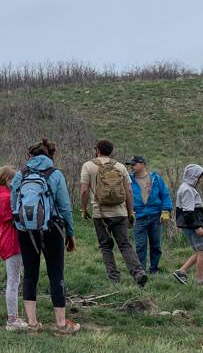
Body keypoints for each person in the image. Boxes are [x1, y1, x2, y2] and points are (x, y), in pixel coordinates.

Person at [11, 139, 78, 334]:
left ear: (31, 157)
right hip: (52, 229)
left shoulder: (20, 175)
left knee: (30, 274)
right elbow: (65, 207)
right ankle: (61, 324)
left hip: (25, 231)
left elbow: (14, 205)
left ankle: (32, 324)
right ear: (50, 156)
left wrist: (21, 225)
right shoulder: (55, 174)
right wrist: (70, 234)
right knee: (56, 273)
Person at [80, 140, 147, 286]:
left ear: (97, 150)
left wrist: (84, 209)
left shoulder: (88, 166)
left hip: (100, 214)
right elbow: (129, 191)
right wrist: (131, 212)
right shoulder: (120, 166)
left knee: (105, 246)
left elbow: (84, 190)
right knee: (124, 244)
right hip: (120, 212)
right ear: (111, 152)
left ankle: (114, 278)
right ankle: (138, 273)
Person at [0, 166, 27, 331]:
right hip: (12, 242)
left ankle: (16, 316)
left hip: (9, 241)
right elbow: (15, 217)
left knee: (15, 280)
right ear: (7, 179)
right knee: (13, 281)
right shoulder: (6, 198)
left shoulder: (2, 194)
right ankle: (12, 319)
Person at [127, 155, 173, 274]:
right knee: (140, 246)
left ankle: (154, 269)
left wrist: (166, 210)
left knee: (156, 245)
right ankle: (141, 271)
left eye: (134, 164)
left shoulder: (156, 179)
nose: (132, 166)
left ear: (142, 164)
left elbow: (165, 194)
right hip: (138, 217)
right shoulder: (129, 180)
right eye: (130, 164)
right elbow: (125, 197)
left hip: (155, 217)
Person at [173, 164, 203, 285]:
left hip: (190, 225)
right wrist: (197, 227)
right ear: (194, 177)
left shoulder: (186, 187)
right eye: (200, 177)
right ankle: (200, 279)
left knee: (200, 250)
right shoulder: (187, 189)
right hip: (192, 225)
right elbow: (188, 212)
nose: (202, 180)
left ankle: (182, 271)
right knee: (202, 250)